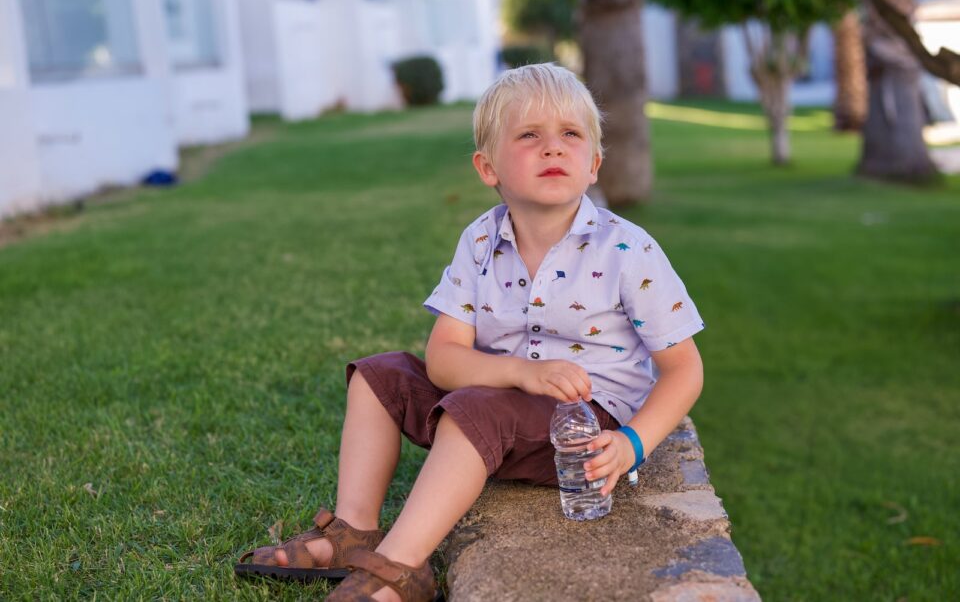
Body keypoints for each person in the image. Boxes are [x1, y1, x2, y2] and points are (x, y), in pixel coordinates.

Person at [235, 63, 705, 602]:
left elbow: (683, 369)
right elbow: (445, 358)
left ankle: (401, 570)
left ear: (594, 163)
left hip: (580, 426)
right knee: (379, 374)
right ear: (488, 167)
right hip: (495, 395)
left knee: (475, 410)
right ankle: (352, 531)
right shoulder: (481, 240)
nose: (553, 148)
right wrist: (521, 374)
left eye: (570, 135)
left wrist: (630, 445)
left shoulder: (626, 250)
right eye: (529, 135)